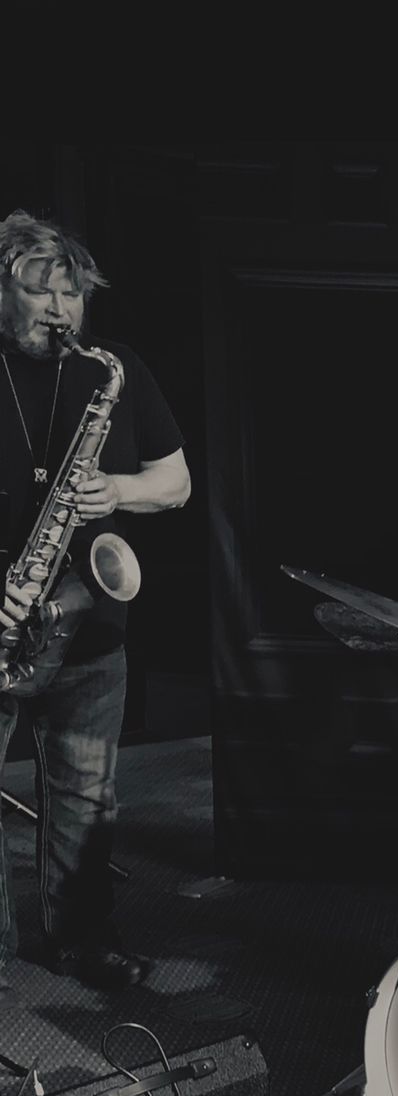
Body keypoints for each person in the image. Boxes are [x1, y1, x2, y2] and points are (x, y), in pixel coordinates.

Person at [0, 211, 191, 992]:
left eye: (72, 294)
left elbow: (175, 482)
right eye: (40, 292)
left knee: (85, 796)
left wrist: (116, 490)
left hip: (90, 624)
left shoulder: (115, 369)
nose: (60, 311)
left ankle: (83, 940)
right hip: (6, 616)